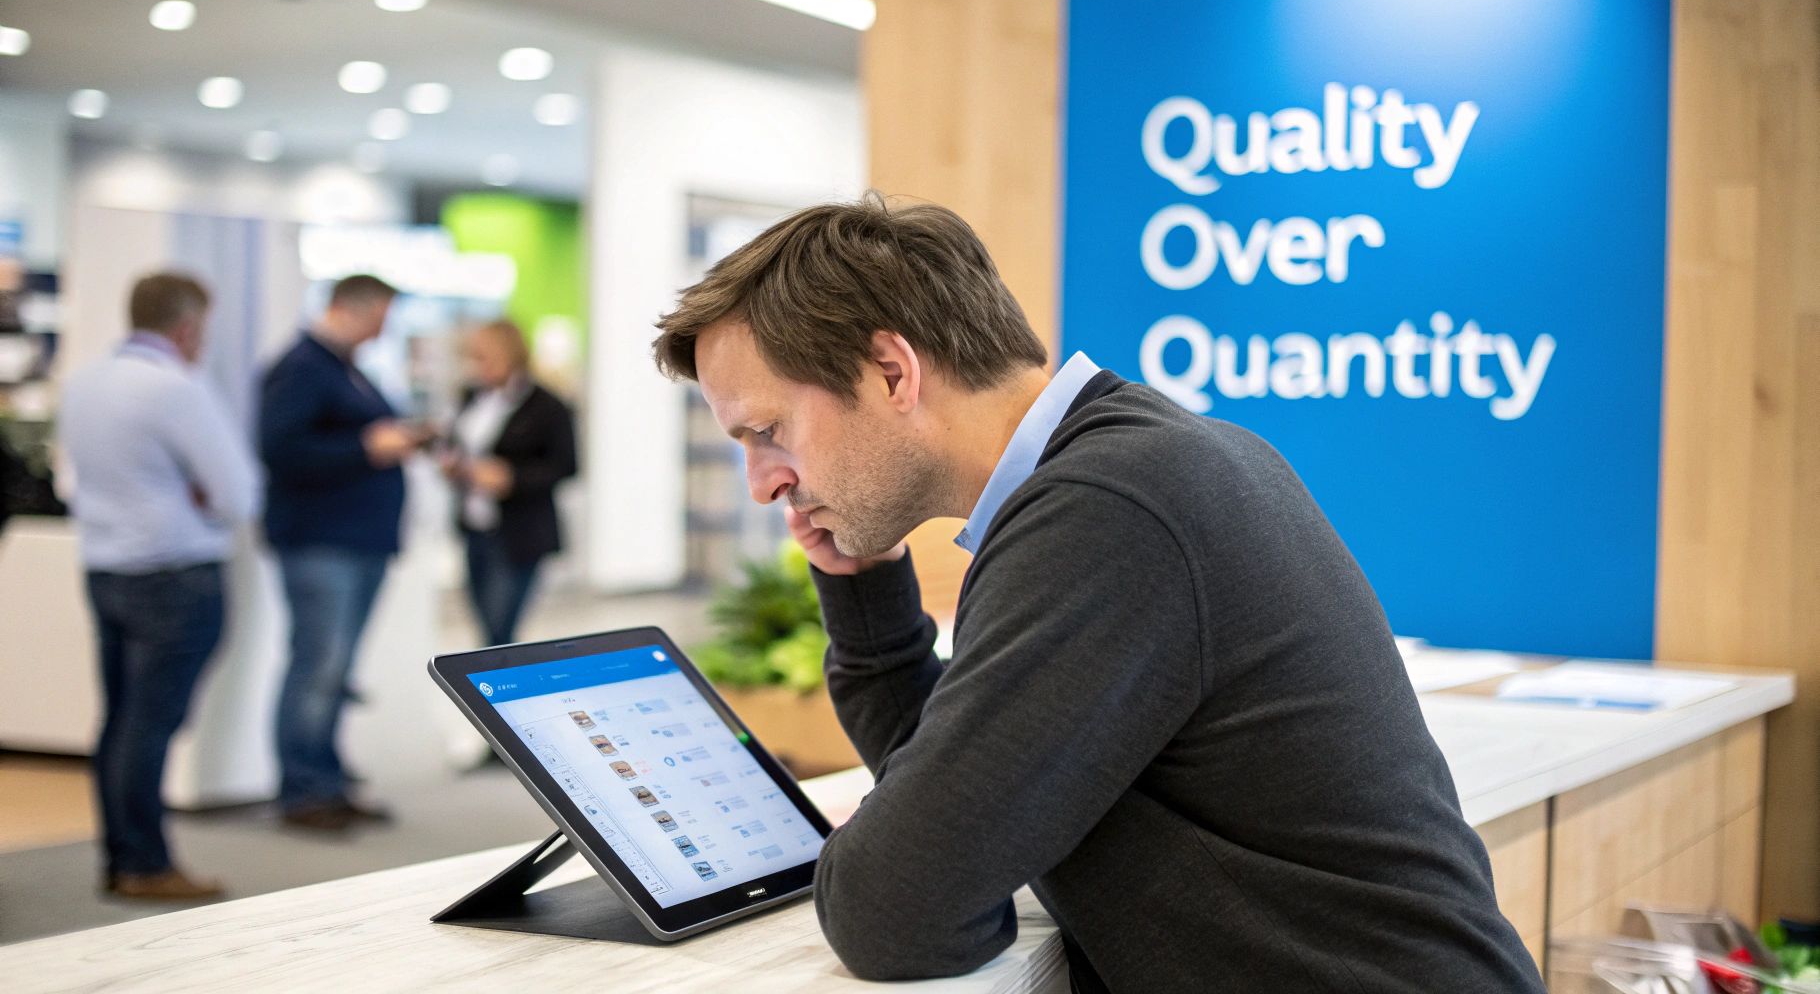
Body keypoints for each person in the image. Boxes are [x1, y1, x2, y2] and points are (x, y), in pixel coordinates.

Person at [651, 194, 1546, 992]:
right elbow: (953, 810)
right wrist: (865, 589)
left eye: (768, 431)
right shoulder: (1155, 461)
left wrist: (877, 848)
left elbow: (898, 910)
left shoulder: (1108, 509)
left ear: (892, 371)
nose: (763, 483)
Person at [58, 272, 260, 899]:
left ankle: (122, 858)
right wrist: (197, 493)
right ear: (188, 327)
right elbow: (239, 493)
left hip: (106, 568)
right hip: (174, 577)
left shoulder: (83, 381)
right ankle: (144, 863)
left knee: (121, 720)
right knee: (149, 726)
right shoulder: (177, 388)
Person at [259, 274, 420, 831]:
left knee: (335, 670)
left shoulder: (344, 367)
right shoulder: (303, 366)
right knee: (318, 665)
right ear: (356, 308)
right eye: (382, 315)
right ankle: (303, 790)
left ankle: (326, 779)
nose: (385, 328)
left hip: (354, 541)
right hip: (321, 542)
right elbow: (280, 449)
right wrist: (365, 447)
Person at [442, 320, 577, 647]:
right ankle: (488, 691)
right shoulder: (471, 398)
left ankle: (499, 694)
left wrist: (511, 477)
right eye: (474, 359)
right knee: (484, 624)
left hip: (520, 533)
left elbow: (567, 466)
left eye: (485, 358)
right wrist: (454, 466)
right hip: (476, 526)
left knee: (500, 631)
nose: (478, 367)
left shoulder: (547, 405)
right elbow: (456, 444)